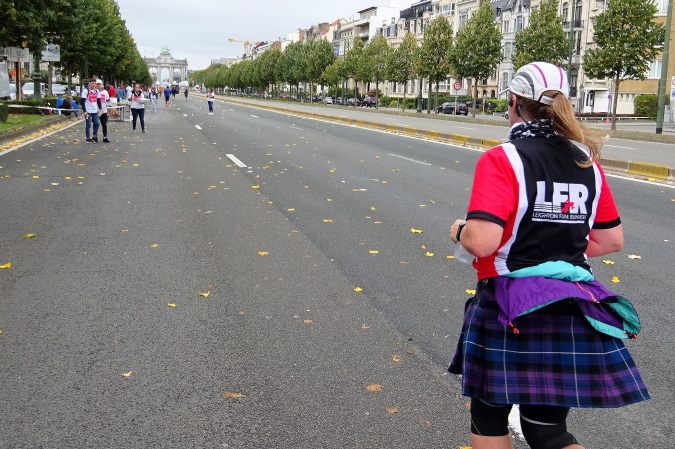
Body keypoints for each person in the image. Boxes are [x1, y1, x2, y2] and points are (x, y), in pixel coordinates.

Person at [447, 62, 649, 449]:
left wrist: (459, 230)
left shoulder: (503, 158)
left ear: (514, 103)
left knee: (489, 419)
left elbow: (482, 242)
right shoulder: (586, 163)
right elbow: (610, 241)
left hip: (507, 304)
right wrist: (557, 241)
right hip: (571, 302)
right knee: (548, 431)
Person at [80, 77, 102, 143]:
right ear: (89, 83)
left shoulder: (96, 91)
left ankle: (94, 136)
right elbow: (82, 101)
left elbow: (98, 100)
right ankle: (88, 137)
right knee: (88, 124)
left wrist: (100, 108)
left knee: (97, 123)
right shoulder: (86, 90)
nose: (94, 85)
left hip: (95, 110)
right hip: (88, 110)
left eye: (95, 83)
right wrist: (84, 111)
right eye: (92, 83)